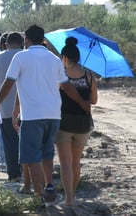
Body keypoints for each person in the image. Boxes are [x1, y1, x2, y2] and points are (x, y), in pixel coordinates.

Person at [0, 25, 90, 201]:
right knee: (46, 153)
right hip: (53, 115)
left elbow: (8, 83)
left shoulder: (21, 57)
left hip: (32, 115)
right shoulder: (54, 59)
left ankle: (39, 197)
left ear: (26, 40)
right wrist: (83, 103)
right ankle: (49, 185)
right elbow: (67, 86)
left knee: (31, 157)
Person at [55, 37, 98, 207]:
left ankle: (69, 199)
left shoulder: (61, 76)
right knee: (75, 162)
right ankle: (72, 196)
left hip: (64, 123)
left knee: (65, 163)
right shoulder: (89, 76)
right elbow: (93, 101)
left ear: (64, 57)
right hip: (83, 124)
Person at [0, 32, 24, 181]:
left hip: (4, 106)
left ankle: (13, 173)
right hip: (25, 106)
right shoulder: (25, 56)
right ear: (22, 42)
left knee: (9, 142)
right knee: (25, 141)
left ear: (6, 43)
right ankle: (27, 171)